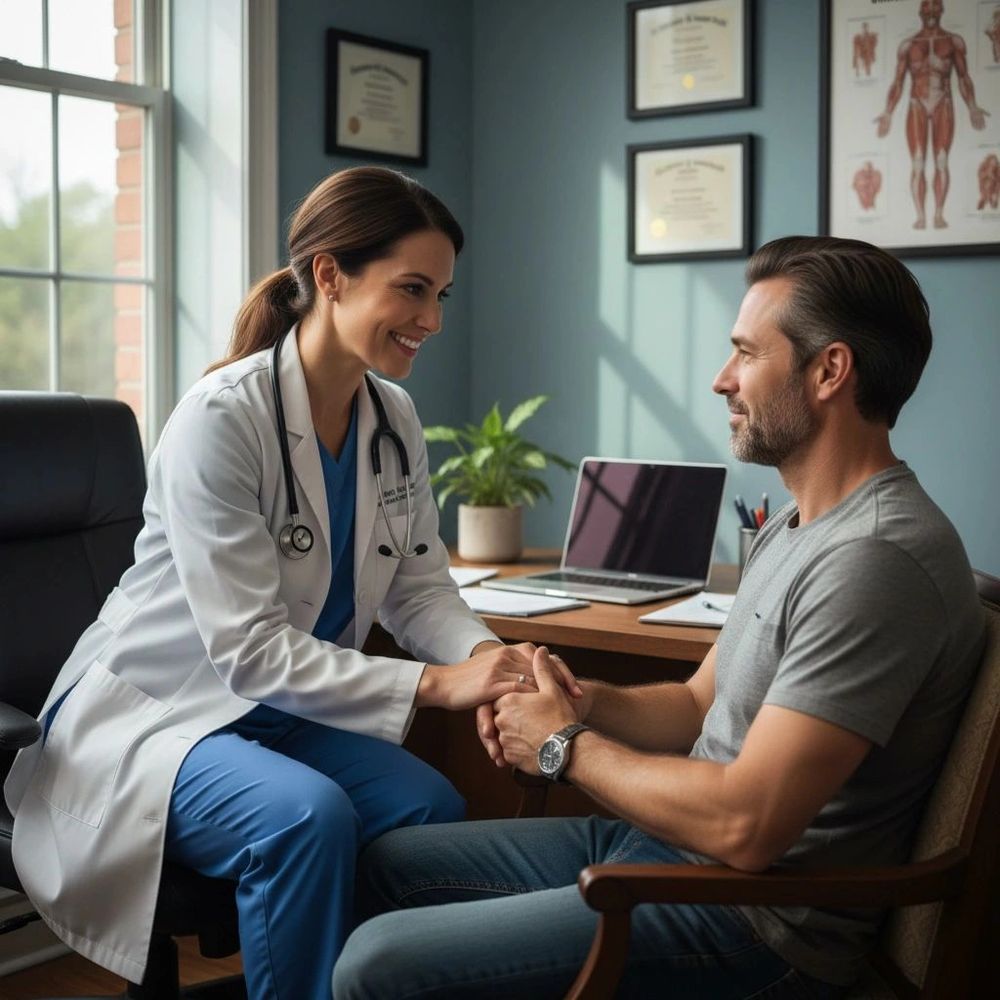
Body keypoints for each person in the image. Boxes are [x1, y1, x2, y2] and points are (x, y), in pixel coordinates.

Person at [332, 235, 987, 999]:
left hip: (753, 925)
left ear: (829, 371)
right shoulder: (797, 525)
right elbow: (694, 706)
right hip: (669, 850)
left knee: (376, 964)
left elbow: (748, 826)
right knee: (379, 862)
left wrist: (563, 746)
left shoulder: (875, 560)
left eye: (746, 353)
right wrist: (577, 700)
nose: (721, 380)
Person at [3, 166, 574, 999]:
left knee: (431, 810)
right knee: (304, 818)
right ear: (331, 276)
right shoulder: (220, 419)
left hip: (279, 713)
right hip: (160, 715)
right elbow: (247, 650)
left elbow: (418, 588)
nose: (433, 320)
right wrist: (442, 683)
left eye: (442, 294)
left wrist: (500, 662)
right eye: (412, 290)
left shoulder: (392, 418)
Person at [875, 0, 988, 229]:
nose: (931, 12)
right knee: (917, 161)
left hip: (943, 101)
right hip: (917, 102)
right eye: (927, 7)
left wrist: (973, 106)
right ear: (920, 11)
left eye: (935, 7)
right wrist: (887, 112)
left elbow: (964, 77)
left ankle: (938, 214)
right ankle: (920, 216)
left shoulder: (953, 42)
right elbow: (897, 82)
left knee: (941, 159)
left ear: (942, 10)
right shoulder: (908, 45)